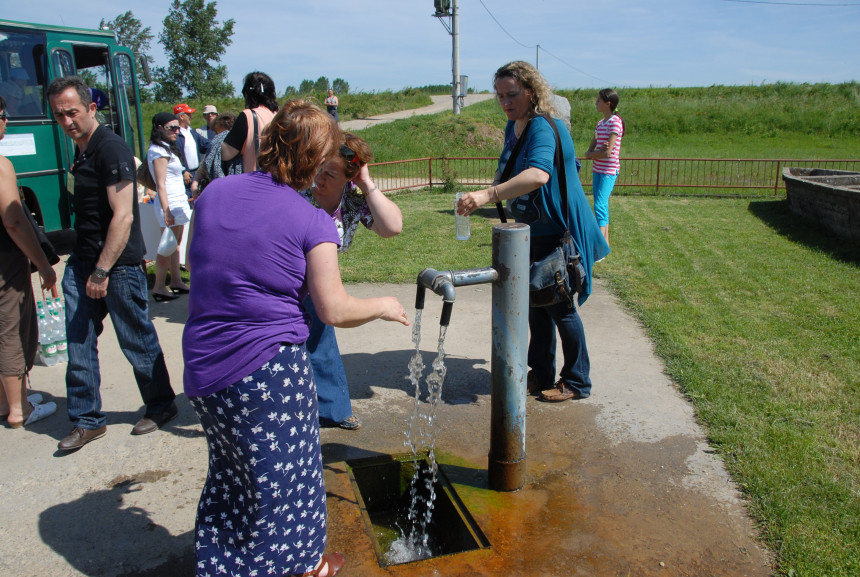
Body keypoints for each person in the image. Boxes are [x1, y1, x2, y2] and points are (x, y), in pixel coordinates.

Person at [184, 99, 408, 577]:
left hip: (203, 365)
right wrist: (383, 306)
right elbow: (334, 309)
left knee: (232, 476)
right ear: (313, 158)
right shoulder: (313, 221)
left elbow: (194, 263)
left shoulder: (213, 195)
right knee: (289, 482)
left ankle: (225, 565)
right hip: (266, 373)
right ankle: (301, 566)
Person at [456, 61, 610, 403]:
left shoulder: (542, 126)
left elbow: (539, 174)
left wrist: (488, 195)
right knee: (535, 304)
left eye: (512, 94)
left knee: (560, 307)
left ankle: (577, 380)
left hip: (557, 228)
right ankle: (540, 373)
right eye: (499, 96)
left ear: (531, 91)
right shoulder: (517, 126)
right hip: (531, 229)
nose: (505, 102)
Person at [46, 76, 177, 451]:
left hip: (116, 266)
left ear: (91, 108)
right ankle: (87, 420)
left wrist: (102, 271)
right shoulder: (83, 149)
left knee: (136, 339)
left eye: (72, 112)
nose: (67, 121)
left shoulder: (111, 148)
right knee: (79, 341)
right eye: (59, 115)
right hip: (83, 260)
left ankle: (161, 404)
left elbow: (123, 217)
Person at [299, 132, 403, 429]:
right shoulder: (298, 192)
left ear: (350, 177)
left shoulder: (352, 203)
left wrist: (367, 183)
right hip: (284, 281)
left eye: (330, 173)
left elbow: (392, 227)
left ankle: (331, 410)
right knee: (296, 341)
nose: (320, 177)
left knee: (319, 336)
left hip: (314, 284)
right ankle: (308, 411)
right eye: (319, 168)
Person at [0, 95, 58, 428]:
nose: (6, 121)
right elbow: (15, 221)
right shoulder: (1, 164)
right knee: (11, 328)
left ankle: (7, 400)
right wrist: (43, 263)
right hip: (5, 261)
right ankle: (19, 408)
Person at [146, 112, 192, 301]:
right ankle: (159, 286)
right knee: (167, 246)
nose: (176, 131)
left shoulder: (167, 148)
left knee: (175, 245)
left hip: (177, 201)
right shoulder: (158, 151)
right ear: (159, 128)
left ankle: (175, 280)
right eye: (171, 128)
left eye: (177, 128)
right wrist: (166, 210)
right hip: (170, 203)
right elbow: (161, 183)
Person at [584, 88, 624, 245]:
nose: (596, 103)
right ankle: (605, 242)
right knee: (601, 204)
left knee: (600, 204)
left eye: (599, 101)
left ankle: (599, 244)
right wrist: (595, 153)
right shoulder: (600, 124)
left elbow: (608, 153)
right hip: (598, 169)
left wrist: (595, 154)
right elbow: (588, 152)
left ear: (608, 104)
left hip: (608, 170)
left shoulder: (616, 122)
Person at [221, 71, 278, 173]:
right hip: (279, 181)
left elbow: (226, 153)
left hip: (255, 180)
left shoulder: (247, 116)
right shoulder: (280, 116)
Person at [190, 111, 236, 198]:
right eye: (217, 134)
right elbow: (204, 166)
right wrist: (195, 184)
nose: (218, 137)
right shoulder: (214, 147)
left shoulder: (240, 149)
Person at [172, 103, 209, 196]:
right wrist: (183, 171)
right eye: (188, 114)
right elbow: (175, 155)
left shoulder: (191, 131)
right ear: (181, 116)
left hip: (196, 173)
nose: (191, 117)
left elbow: (205, 144)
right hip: (186, 175)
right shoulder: (175, 135)